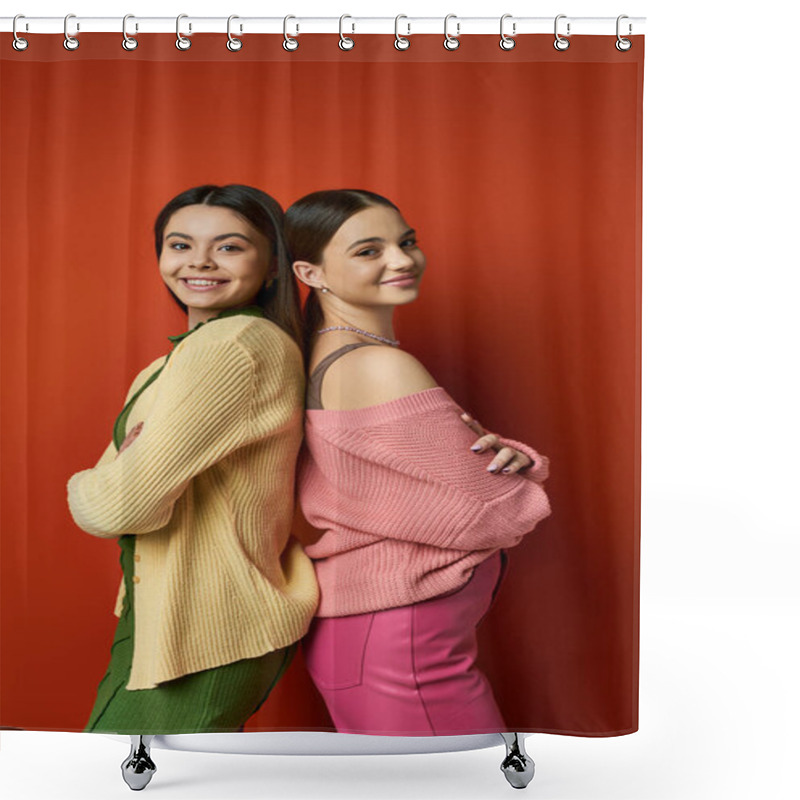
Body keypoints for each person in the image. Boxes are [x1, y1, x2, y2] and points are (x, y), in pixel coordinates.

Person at [286, 189, 551, 736]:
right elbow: (505, 510)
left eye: (406, 241)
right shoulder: (379, 365)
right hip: (400, 646)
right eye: (369, 250)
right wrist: (523, 467)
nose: (402, 260)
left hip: (379, 635)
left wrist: (494, 457)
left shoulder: (328, 355)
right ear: (310, 273)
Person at [67, 184, 319, 734]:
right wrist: (120, 480)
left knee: (116, 782)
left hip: (207, 624)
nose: (199, 261)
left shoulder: (233, 345)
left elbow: (116, 508)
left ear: (273, 265)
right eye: (180, 245)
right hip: (163, 614)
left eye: (229, 247)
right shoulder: (169, 364)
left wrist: (92, 482)